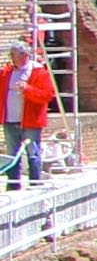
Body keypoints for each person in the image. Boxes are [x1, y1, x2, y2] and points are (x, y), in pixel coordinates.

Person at [0, 40, 55, 186]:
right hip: (10, 120)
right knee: (12, 154)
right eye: (11, 54)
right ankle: (13, 184)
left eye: (14, 55)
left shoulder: (39, 72)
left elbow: (47, 95)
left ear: (24, 55)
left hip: (30, 121)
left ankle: (35, 183)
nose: (11, 57)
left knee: (33, 153)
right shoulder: (7, 72)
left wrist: (27, 89)